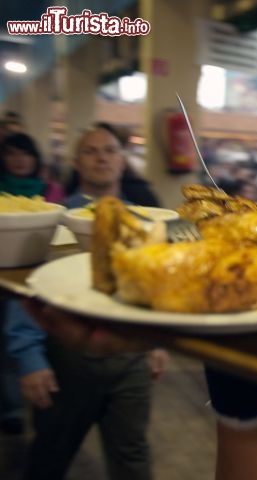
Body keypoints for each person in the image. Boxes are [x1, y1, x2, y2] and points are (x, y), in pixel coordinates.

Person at [5, 123, 169, 480]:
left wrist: (157, 340)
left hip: (130, 361)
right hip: (65, 358)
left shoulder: (144, 221)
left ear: (122, 162)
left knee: (133, 455)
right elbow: (28, 287)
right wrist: (30, 358)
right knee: (51, 453)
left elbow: (150, 286)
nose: (102, 158)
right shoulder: (51, 218)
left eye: (110, 150)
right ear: (77, 163)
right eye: (91, 151)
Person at [1, 132, 64, 435]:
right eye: (12, 154)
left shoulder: (52, 193)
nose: (19, 160)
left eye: (24, 154)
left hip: (32, 285)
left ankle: (13, 409)